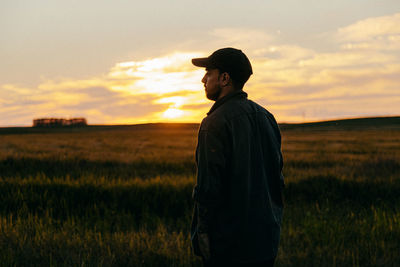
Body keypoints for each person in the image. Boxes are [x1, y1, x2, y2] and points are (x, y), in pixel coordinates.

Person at [190, 48, 284, 267]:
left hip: (229, 248)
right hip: (265, 241)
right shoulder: (266, 117)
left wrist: (202, 236)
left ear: (224, 78)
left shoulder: (214, 124)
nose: (203, 79)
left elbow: (208, 189)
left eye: (208, 73)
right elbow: (277, 180)